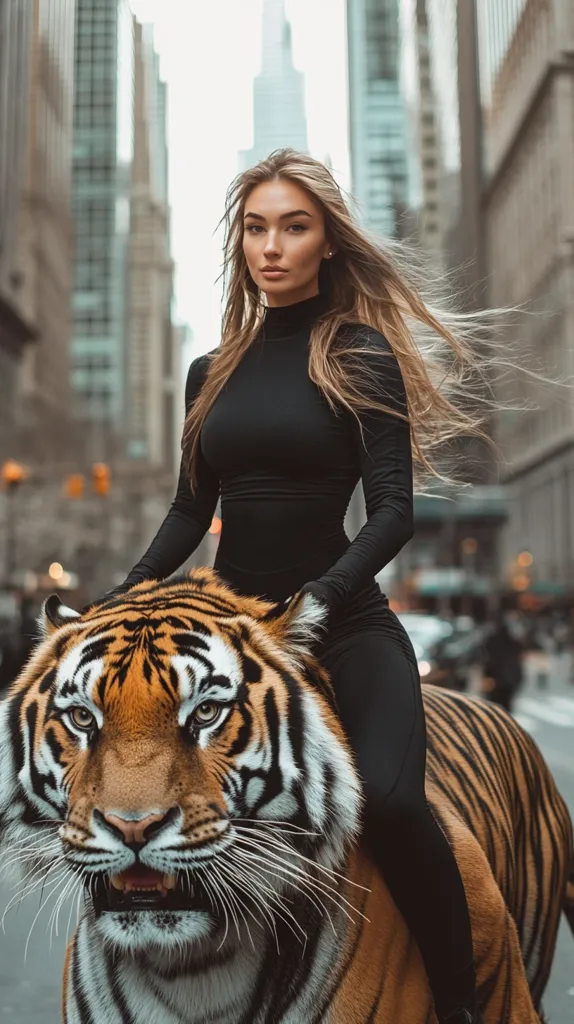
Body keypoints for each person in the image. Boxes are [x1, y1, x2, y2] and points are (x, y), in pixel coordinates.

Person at [92, 150, 490, 1023]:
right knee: (136, 789)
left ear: (327, 244)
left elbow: (394, 512)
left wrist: (321, 598)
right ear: (241, 242)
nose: (272, 246)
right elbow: (190, 510)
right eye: (256, 227)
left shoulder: (360, 353)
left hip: (343, 625)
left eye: (294, 227)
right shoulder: (210, 372)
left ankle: (462, 1006)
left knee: (390, 802)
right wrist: (121, 597)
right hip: (235, 643)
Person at [483, 614, 524, 713]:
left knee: (492, 706)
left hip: (494, 677)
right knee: (505, 706)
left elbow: (485, 657)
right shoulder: (514, 643)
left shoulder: (490, 641)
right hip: (509, 679)